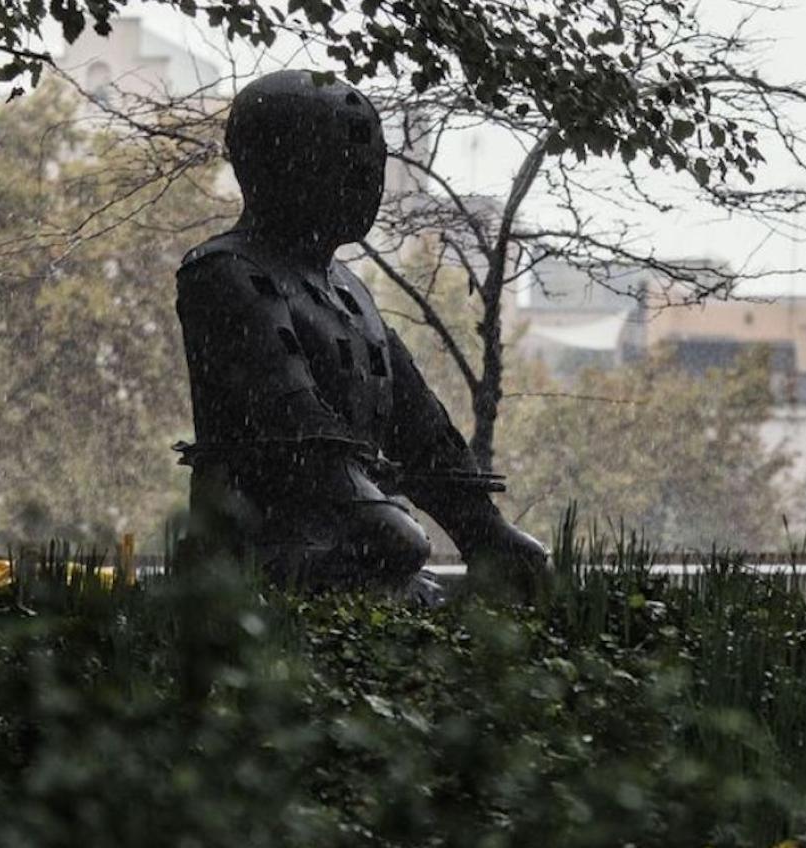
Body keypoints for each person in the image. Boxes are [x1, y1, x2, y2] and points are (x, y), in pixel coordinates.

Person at [175, 70, 547, 596]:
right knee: (400, 547)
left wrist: (484, 529)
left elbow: (419, 426)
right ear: (278, 165)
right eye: (343, 164)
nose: (365, 182)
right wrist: (378, 515)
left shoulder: (347, 288)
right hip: (261, 560)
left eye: (371, 164)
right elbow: (292, 422)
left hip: (356, 542)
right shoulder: (223, 271)